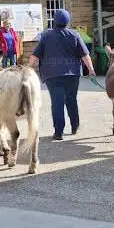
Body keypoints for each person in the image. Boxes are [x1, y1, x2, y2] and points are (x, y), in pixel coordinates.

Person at [29, 9, 95, 140]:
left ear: (55, 20)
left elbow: (34, 56)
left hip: (52, 75)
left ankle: (58, 132)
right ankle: (74, 126)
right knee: (71, 99)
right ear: (68, 21)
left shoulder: (46, 36)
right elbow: (85, 55)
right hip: (72, 74)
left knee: (57, 102)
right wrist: (91, 70)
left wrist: (27, 69)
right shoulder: (74, 34)